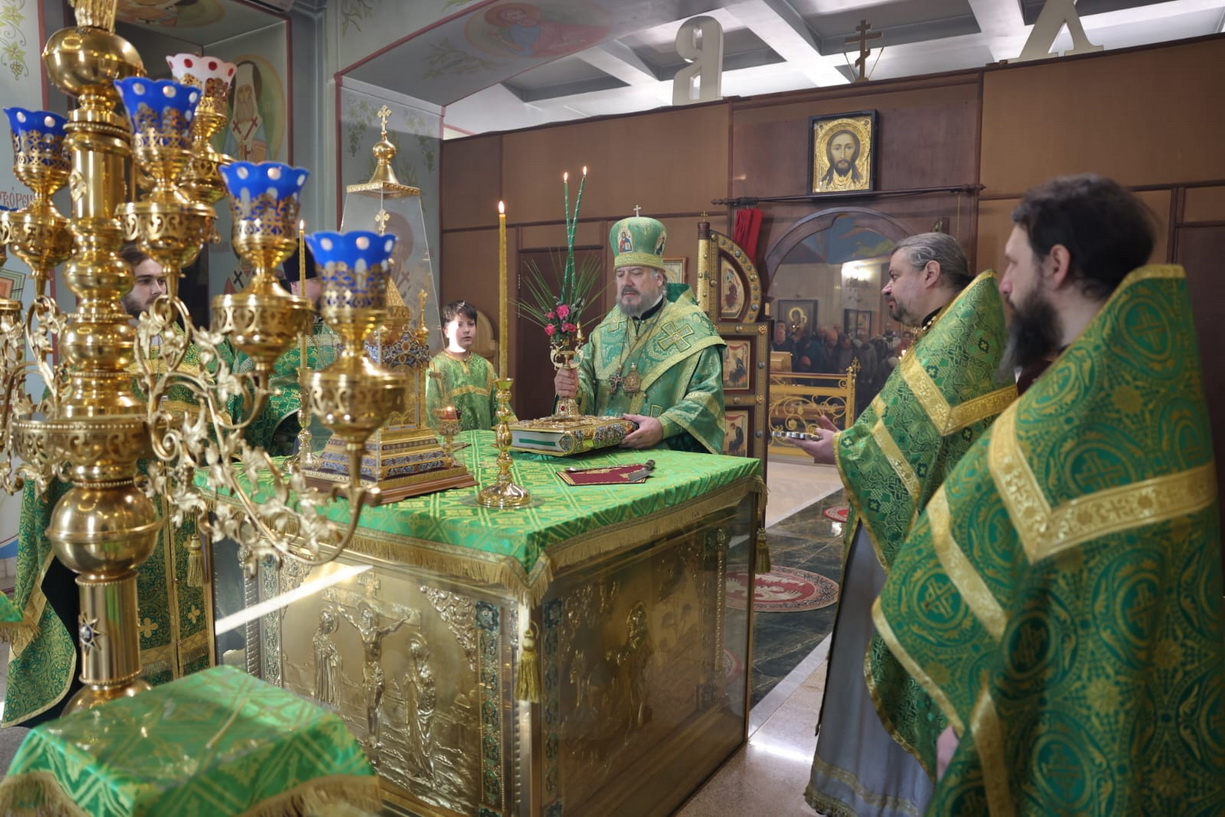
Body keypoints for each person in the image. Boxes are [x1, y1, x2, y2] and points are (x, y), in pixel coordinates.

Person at [874, 175, 1224, 815]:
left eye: (1013, 264)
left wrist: (983, 723)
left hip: (1059, 725)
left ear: (1056, 265)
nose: (1004, 285)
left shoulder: (1081, 408)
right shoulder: (1144, 381)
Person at [796, 233, 1016, 817]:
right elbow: (910, 433)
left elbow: (915, 445)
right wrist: (851, 440)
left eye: (894, 275)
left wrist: (843, 448)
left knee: (895, 655)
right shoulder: (947, 334)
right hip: (920, 530)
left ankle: (891, 799)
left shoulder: (955, 342)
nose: (886, 288)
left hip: (921, 542)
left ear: (931, 273)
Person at [4, 246, 213, 727]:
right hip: (116, 531)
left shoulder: (186, 355)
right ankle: (120, 719)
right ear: (118, 288)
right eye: (145, 281)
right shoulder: (90, 364)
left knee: (191, 631)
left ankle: (190, 716)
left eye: (163, 280)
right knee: (120, 636)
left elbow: (216, 430)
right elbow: (61, 453)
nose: (158, 290)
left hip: (181, 525)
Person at [553, 213, 725, 452]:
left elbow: (708, 395)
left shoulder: (694, 329)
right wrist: (573, 388)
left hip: (663, 457)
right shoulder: (605, 331)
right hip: (602, 455)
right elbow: (585, 379)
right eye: (620, 274)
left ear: (659, 279)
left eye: (636, 273)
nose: (626, 282)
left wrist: (663, 426)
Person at [230, 244, 341, 455]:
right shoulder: (272, 325)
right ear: (295, 285)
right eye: (318, 280)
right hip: (292, 413)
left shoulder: (338, 322)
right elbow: (247, 377)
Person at [425, 300, 503, 431]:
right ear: (446, 331)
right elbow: (430, 414)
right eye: (459, 325)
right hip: (453, 441)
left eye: (471, 324)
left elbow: (500, 407)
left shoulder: (485, 366)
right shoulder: (436, 367)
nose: (467, 330)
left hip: (485, 441)